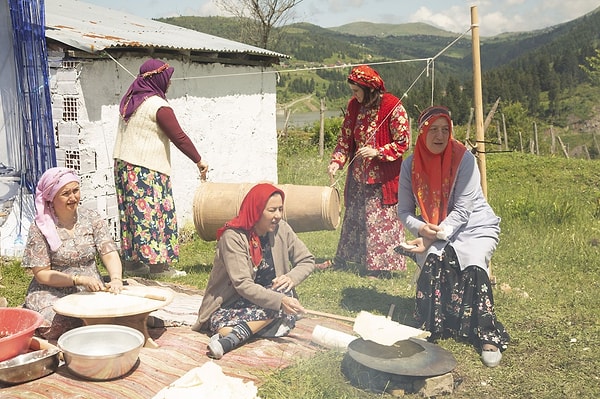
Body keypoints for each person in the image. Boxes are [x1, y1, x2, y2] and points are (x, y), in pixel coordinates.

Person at [397, 106, 510, 367]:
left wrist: (430, 237)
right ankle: (436, 325)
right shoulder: (410, 165)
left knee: (473, 262)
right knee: (435, 259)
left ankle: (487, 335)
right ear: (422, 133)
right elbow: (404, 211)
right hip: (435, 229)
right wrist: (421, 230)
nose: (439, 136)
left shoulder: (464, 160)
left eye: (445, 130)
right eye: (433, 129)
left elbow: (462, 211)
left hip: (474, 226)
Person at [192, 183, 315, 359]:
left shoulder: (282, 230)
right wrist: (280, 301)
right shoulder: (233, 237)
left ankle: (232, 336)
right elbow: (242, 284)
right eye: (272, 210)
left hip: (265, 300)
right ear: (256, 210)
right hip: (231, 303)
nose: (278, 216)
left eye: (280, 209)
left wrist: (291, 278)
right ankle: (247, 331)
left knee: (283, 292)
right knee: (282, 306)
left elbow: (307, 260)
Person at [113, 58, 209, 278]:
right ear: (158, 79)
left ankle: (133, 264)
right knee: (153, 215)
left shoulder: (131, 101)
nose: (170, 83)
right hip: (145, 168)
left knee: (132, 215)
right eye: (168, 79)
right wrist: (198, 160)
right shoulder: (158, 106)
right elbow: (179, 137)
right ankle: (159, 267)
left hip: (124, 165)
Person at [324, 65, 410, 278]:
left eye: (356, 91)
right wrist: (337, 161)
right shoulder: (354, 106)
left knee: (379, 222)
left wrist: (377, 151)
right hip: (358, 176)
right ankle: (349, 260)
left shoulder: (393, 106)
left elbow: (403, 142)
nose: (353, 95)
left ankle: (381, 268)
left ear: (369, 88)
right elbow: (345, 140)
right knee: (355, 218)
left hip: (383, 179)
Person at [22, 167, 124, 340]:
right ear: (51, 197)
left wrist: (116, 278)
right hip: (52, 291)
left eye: (76, 190)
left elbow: (108, 251)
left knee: (119, 308)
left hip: (90, 287)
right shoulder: (40, 227)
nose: (73, 197)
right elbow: (42, 274)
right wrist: (77, 279)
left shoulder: (91, 218)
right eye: (66, 193)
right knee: (55, 323)